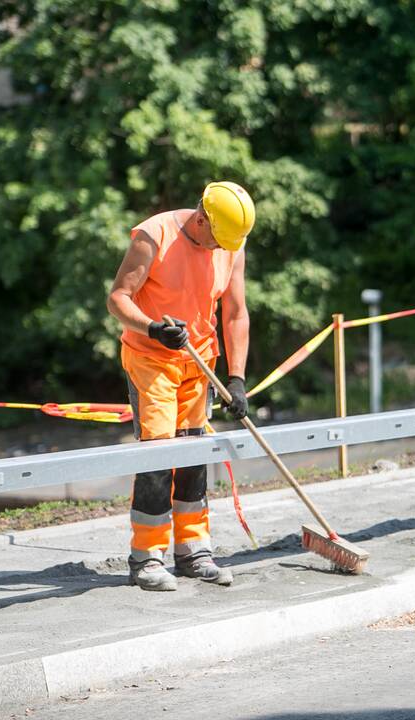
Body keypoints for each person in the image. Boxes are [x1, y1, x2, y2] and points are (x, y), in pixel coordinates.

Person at [107, 181, 254, 591]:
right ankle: (146, 557)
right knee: (159, 452)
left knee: (193, 453)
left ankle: (193, 550)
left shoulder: (230, 244)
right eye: (215, 239)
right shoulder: (153, 236)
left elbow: (236, 314)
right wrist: (153, 329)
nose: (217, 249)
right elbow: (118, 298)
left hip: (199, 363)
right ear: (201, 217)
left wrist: (237, 379)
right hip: (152, 357)